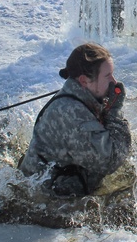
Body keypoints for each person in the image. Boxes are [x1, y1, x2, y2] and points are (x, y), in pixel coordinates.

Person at [18, 43, 131, 197]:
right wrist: (114, 113)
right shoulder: (73, 114)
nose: (114, 81)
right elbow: (110, 161)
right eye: (107, 76)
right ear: (84, 81)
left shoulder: (82, 96)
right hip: (42, 198)